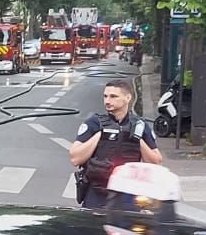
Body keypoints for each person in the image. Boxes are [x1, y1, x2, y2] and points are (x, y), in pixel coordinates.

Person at [68, 76, 162, 211]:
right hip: (97, 193)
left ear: (128, 98)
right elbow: (75, 158)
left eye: (113, 96)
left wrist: (137, 138)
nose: (107, 101)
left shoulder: (140, 125)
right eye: (105, 96)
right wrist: (101, 134)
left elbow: (156, 162)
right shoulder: (94, 123)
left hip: (128, 194)